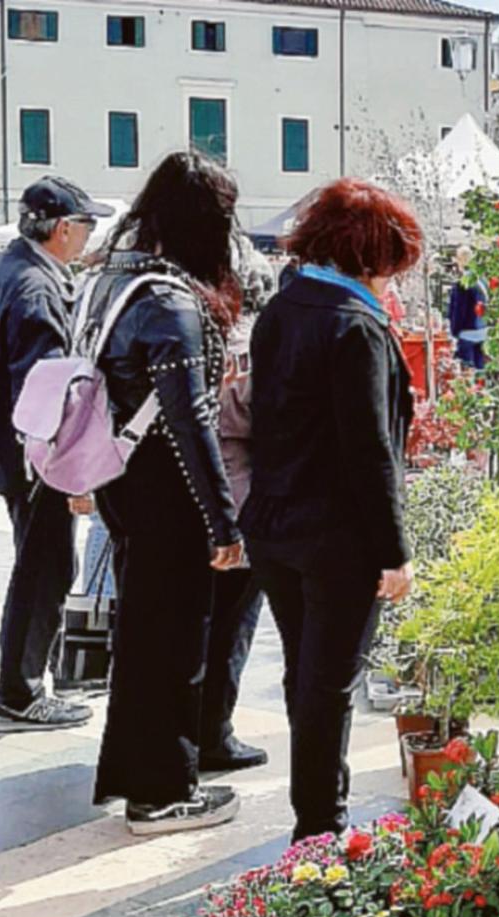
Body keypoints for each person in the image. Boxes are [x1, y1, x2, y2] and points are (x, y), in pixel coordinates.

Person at [240, 178, 419, 842]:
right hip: (336, 536)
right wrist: (395, 552)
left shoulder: (283, 309)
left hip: (276, 523)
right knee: (328, 683)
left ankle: (313, 815)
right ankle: (319, 829)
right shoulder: (355, 325)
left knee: (306, 676)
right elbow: (369, 449)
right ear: (370, 254)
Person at [85, 151, 244, 834]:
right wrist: (224, 523)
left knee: (143, 637)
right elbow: (191, 419)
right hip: (164, 492)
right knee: (177, 642)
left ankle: (135, 774)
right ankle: (164, 791)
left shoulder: (113, 280)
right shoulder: (170, 298)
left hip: (124, 483)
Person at [0, 177, 114, 732]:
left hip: (5, 449)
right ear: (63, 229)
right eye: (85, 226)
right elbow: (43, 392)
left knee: (37, 562)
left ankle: (29, 678)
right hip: (30, 457)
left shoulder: (2, 270)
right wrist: (68, 474)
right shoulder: (35, 287)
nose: (87, 237)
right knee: (45, 567)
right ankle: (21, 690)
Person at [197, 235, 275, 773]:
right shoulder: (242, 345)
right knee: (231, 624)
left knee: (206, 623)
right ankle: (213, 733)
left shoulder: (192, 326)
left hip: (199, 497)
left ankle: (197, 727)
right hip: (237, 500)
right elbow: (248, 416)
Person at [445, 245, 486, 369]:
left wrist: (454, 331)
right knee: (480, 372)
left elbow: (458, 311)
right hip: (483, 330)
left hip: (466, 333)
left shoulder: (462, 283)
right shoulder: (482, 281)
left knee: (466, 373)